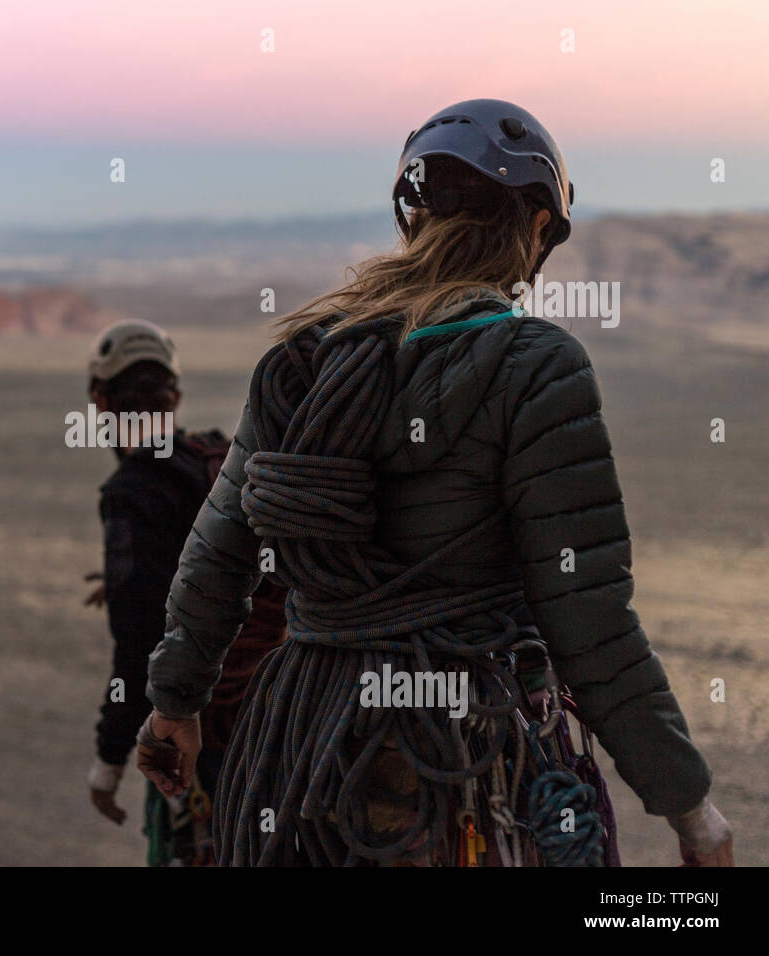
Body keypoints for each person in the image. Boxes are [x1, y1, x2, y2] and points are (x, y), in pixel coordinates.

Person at [135, 99, 735, 867]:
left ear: (411, 216)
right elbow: (591, 622)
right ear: (537, 229)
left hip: (308, 745)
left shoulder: (300, 361)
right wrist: (689, 808)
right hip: (461, 757)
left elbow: (218, 555)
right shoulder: (537, 368)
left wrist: (173, 705)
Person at [82, 319, 286, 866]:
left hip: (208, 731)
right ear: (174, 396)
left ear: (100, 400)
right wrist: (124, 583)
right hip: (289, 705)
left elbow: (138, 649)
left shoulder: (130, 494)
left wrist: (107, 764)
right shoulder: (216, 458)